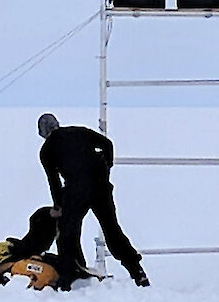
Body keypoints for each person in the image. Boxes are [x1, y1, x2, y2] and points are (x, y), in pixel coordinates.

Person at [36, 112, 148, 287]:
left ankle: (70, 275)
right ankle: (137, 271)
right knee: (112, 230)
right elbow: (107, 144)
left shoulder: (46, 150)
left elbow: (54, 182)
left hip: (76, 189)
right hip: (100, 185)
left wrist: (59, 206)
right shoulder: (79, 131)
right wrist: (106, 167)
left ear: (43, 133)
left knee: (67, 231)